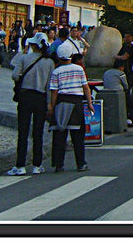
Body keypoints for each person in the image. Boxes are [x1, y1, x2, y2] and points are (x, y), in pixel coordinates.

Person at [7, 35, 55, 175]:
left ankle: (20, 165)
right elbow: (49, 86)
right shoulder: (49, 62)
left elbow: (15, 76)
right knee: (38, 132)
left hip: (25, 96)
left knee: (23, 131)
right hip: (40, 97)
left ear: (33, 45)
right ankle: (37, 164)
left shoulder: (24, 58)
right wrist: (49, 103)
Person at [47, 43, 94, 173]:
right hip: (77, 101)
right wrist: (89, 103)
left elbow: (54, 91)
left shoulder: (56, 71)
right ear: (71, 55)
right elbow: (86, 87)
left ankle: (58, 164)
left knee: (60, 135)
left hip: (62, 101)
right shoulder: (79, 69)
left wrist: (52, 106)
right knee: (78, 136)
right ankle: (80, 163)